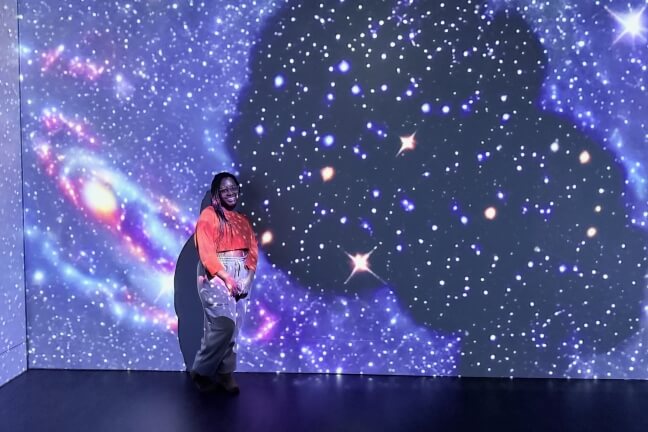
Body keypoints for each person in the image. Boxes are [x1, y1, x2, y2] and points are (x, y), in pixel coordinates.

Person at [190, 172, 258, 394]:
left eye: (233, 189)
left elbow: (253, 251)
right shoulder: (208, 216)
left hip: (241, 271)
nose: (230, 193)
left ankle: (225, 373)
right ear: (216, 194)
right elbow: (206, 251)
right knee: (223, 325)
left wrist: (247, 278)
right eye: (225, 189)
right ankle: (201, 369)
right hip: (217, 273)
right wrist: (226, 277)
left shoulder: (243, 219)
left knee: (234, 329)